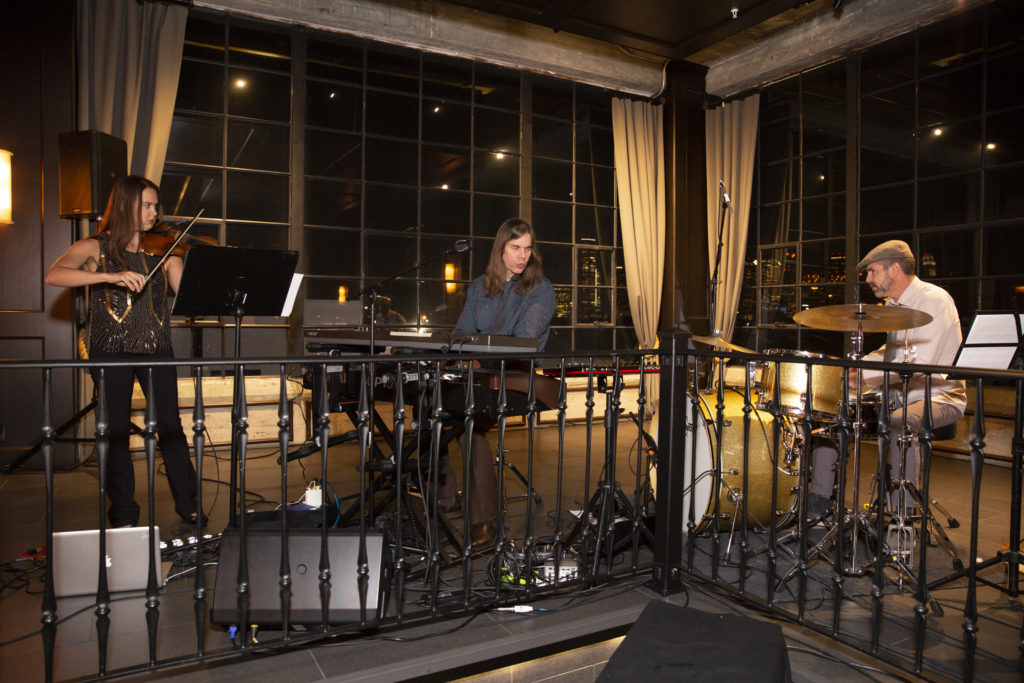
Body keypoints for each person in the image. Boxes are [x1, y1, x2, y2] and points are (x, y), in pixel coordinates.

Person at [45, 175, 200, 529]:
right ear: (125, 205)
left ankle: (188, 504)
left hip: (157, 348)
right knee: (115, 430)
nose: (154, 212)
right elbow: (55, 275)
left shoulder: (162, 250)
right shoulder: (95, 247)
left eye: (155, 205)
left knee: (171, 426)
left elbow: (186, 293)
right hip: (110, 349)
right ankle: (124, 513)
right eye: (146, 204)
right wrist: (108, 277)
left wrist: (183, 264)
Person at [808, 240, 967, 516]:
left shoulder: (934, 301)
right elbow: (890, 355)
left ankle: (902, 519)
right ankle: (819, 506)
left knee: (899, 422)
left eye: (871, 271)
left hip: (938, 397)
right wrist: (850, 368)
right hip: (897, 396)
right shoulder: (895, 305)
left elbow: (919, 365)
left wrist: (866, 377)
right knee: (832, 413)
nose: (868, 279)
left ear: (894, 268)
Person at [442, 218, 556, 545]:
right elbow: (463, 331)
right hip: (480, 372)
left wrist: (476, 356)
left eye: (528, 248)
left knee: (469, 426)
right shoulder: (479, 286)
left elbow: (521, 341)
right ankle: (445, 497)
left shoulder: (540, 289)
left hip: (516, 374)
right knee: (428, 406)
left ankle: (485, 521)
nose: (523, 256)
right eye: (515, 248)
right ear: (501, 249)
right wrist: (463, 358)